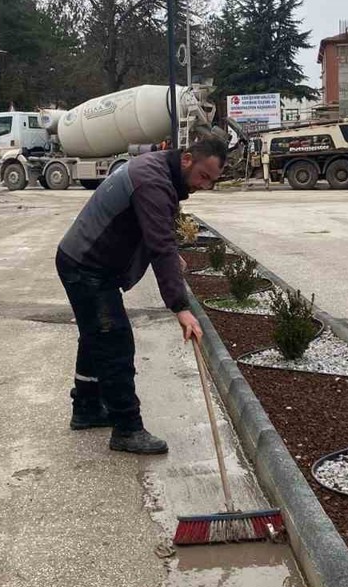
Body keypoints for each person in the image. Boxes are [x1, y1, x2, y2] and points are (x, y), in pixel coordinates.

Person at [55, 132, 228, 455]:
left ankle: (87, 409)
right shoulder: (153, 180)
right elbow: (159, 244)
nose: (205, 185)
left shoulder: (162, 169)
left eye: (212, 181)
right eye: (204, 176)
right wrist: (181, 307)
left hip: (85, 261)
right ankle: (127, 429)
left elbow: (156, 229)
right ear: (187, 159)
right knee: (115, 342)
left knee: (96, 336)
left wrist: (169, 256)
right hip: (86, 266)